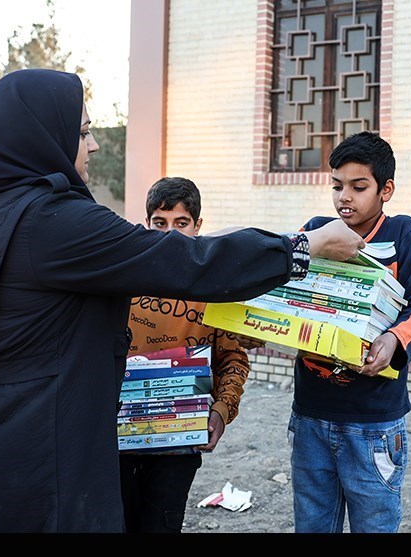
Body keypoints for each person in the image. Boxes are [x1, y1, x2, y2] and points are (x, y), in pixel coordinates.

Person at [0, 68, 367, 533]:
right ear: (45, 138)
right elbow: (187, 261)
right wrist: (302, 247)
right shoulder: (53, 220)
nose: (96, 144)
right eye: (83, 132)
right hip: (25, 456)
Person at [287, 131, 411, 533]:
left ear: (385, 189)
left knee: (374, 522)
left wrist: (393, 339)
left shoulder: (402, 232)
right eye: (337, 186)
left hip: (374, 421)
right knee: (313, 522)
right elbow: (290, 296)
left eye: (358, 186)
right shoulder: (317, 231)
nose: (344, 197)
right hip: (311, 413)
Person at [120, 176, 252, 533]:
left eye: (181, 224)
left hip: (178, 449)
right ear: (146, 224)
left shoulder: (214, 291)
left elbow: (233, 361)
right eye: (160, 223)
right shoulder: (121, 282)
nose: (171, 235)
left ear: (198, 227)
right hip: (116, 446)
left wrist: (222, 411)